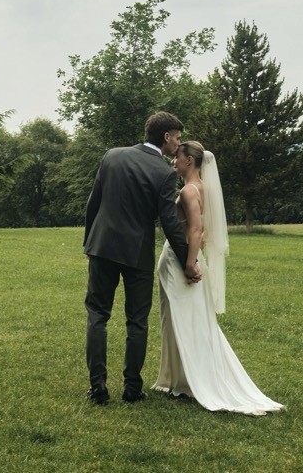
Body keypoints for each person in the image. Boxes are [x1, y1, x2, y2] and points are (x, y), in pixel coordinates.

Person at [153, 140, 284, 415]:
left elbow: (197, 230)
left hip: (181, 261)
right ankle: (180, 378)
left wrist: (189, 265)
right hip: (190, 258)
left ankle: (192, 379)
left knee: (182, 319)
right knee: (189, 319)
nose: (173, 161)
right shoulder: (206, 189)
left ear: (190, 160)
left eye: (177, 157)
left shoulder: (189, 190)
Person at [83, 111, 201, 405]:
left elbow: (93, 202)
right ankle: (132, 388)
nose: (178, 144)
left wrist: (89, 242)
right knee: (136, 321)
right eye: (176, 138)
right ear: (165, 137)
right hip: (137, 254)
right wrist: (189, 261)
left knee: (97, 315)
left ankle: (97, 387)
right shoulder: (164, 173)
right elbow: (170, 223)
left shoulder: (112, 156)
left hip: (103, 248)